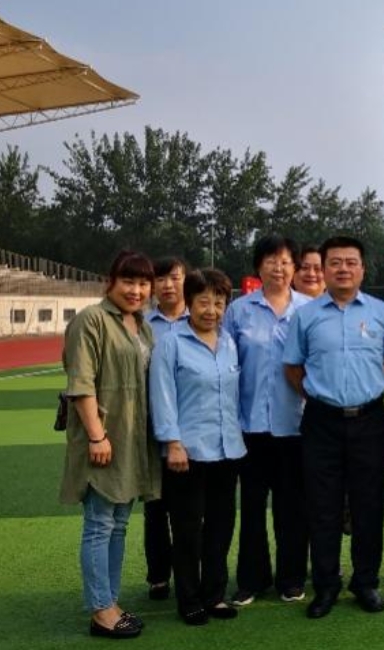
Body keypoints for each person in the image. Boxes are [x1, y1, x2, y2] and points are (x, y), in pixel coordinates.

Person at [283, 236, 384, 619]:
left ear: (362, 269)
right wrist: (318, 395)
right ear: (323, 269)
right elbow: (293, 366)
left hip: (370, 421)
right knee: (322, 506)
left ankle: (365, 582)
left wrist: (370, 389)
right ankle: (326, 585)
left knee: (369, 504)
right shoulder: (305, 315)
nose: (343, 269)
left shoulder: (382, 313)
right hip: (321, 422)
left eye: (351, 262)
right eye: (334, 262)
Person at [59, 251, 160, 639]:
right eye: (128, 281)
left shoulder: (141, 326)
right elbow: (80, 383)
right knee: (99, 525)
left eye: (143, 283)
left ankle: (110, 602)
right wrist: (97, 435)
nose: (136, 290)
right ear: (111, 281)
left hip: (132, 441)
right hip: (103, 438)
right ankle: (101, 610)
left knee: (118, 525)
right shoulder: (92, 320)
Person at [149, 268, 245, 625]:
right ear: (188, 302)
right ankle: (189, 599)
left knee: (221, 526)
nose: (211, 310)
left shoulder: (229, 342)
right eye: (204, 302)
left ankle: (214, 595)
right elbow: (162, 396)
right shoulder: (171, 343)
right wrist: (173, 443)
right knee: (187, 530)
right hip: (186, 453)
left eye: (219, 303)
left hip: (227, 450)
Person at [226, 236, 312, 605]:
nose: (279, 267)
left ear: (295, 268)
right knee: (252, 508)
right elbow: (227, 367)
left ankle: (291, 578)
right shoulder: (238, 311)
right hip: (251, 428)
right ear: (258, 267)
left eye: (286, 261)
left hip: (296, 427)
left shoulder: (309, 310)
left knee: (292, 508)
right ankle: (252, 579)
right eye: (271, 260)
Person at [143, 256, 189, 602]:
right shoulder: (141, 324)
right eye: (160, 279)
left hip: (194, 426)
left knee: (190, 509)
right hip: (150, 428)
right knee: (156, 506)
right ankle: (159, 575)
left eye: (174, 277)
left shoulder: (202, 319)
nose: (168, 285)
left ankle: (191, 573)